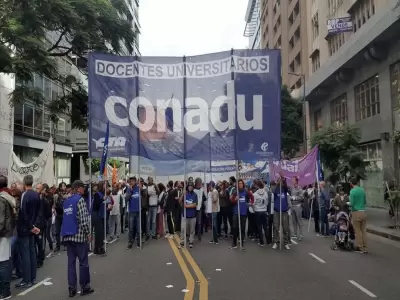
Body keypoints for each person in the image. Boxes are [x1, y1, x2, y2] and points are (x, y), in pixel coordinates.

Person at [61, 180, 94, 297]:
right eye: (83, 188)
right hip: (79, 236)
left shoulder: (66, 201)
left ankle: (72, 288)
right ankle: (85, 287)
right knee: (83, 262)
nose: (84, 190)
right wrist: (88, 233)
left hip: (68, 236)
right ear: (78, 188)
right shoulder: (80, 200)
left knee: (71, 263)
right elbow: (84, 220)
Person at [16, 175, 41, 289]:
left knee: (25, 254)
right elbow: (38, 212)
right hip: (33, 227)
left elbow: (23, 213)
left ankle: (26, 279)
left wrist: (31, 226)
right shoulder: (36, 194)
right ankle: (33, 278)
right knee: (32, 253)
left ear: (24, 182)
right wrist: (35, 226)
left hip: (25, 229)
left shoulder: (24, 195)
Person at [0, 175, 16, 299]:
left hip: (2, 234)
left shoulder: (2, 199)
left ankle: (5, 291)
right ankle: (5, 290)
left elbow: (0, 221)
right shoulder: (8, 196)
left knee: (3, 263)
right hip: (7, 233)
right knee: (5, 261)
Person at [272, 176, 291, 250]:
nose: (281, 182)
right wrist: (278, 183)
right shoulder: (276, 190)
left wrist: (283, 179)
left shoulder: (285, 190)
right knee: (276, 227)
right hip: (277, 211)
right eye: (280, 181)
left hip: (284, 211)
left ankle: (286, 243)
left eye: (282, 182)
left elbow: (286, 186)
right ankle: (276, 242)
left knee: (285, 228)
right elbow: (274, 190)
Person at [229, 179, 249, 250]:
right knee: (235, 228)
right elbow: (231, 201)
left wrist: (248, 204)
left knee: (242, 228)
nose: (240, 185)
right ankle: (234, 243)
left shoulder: (246, 192)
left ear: (243, 184)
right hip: (236, 212)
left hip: (243, 213)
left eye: (241, 183)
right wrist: (235, 199)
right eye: (239, 183)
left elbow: (250, 198)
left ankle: (241, 242)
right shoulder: (234, 192)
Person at [349, 177, 367, 253]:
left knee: (358, 230)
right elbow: (365, 201)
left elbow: (352, 203)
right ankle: (365, 247)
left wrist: (349, 204)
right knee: (363, 230)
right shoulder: (362, 190)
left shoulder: (352, 191)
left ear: (351, 183)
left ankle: (360, 247)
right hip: (364, 211)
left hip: (356, 212)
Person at [180, 182, 198, 248]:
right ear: (187, 187)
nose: (190, 187)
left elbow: (195, 204)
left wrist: (187, 206)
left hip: (192, 216)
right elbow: (179, 201)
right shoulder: (184, 193)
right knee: (183, 229)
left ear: (193, 187)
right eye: (189, 186)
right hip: (184, 215)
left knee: (192, 230)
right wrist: (182, 195)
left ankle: (191, 241)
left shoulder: (195, 195)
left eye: (192, 186)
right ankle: (182, 241)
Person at [252, 179, 269, 246]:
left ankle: (261, 242)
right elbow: (267, 203)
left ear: (257, 186)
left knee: (259, 227)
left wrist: (255, 209)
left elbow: (253, 203)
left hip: (257, 211)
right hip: (264, 211)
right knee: (265, 226)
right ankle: (268, 241)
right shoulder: (266, 193)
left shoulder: (255, 194)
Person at [125, 177, 141, 249]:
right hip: (131, 211)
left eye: (133, 181)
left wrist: (142, 188)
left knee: (138, 228)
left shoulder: (139, 188)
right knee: (131, 228)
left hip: (138, 211)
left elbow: (144, 194)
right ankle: (130, 242)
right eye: (130, 181)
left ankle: (138, 242)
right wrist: (130, 192)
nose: (132, 182)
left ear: (136, 181)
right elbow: (126, 199)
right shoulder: (129, 189)